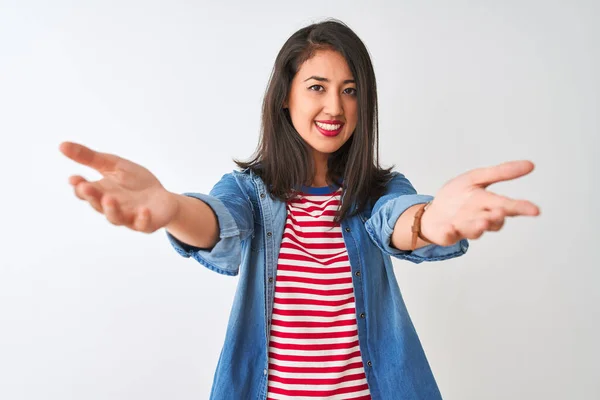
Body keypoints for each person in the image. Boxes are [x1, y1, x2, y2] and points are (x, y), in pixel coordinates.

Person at [59, 19, 539, 400]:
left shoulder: (378, 190)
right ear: (285, 97)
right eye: (317, 86)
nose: (335, 106)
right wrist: (170, 208)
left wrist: (433, 221)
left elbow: (398, 220)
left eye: (350, 90)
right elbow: (214, 220)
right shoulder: (250, 192)